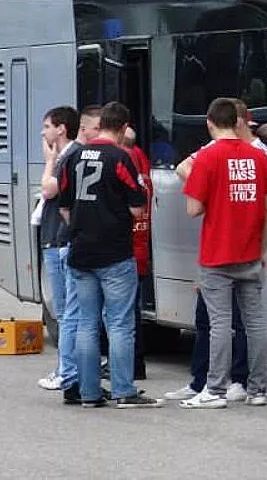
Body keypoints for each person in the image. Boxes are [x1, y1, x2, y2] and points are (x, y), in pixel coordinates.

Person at [57, 102, 161, 408]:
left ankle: (89, 392)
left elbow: (64, 206)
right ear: (124, 126)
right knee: (118, 323)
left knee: (87, 323)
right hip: (115, 253)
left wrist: (81, 227)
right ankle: (123, 390)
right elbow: (136, 206)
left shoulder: (73, 156)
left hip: (81, 252)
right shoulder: (121, 157)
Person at [179, 97, 267, 408]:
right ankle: (258, 389)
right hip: (250, 251)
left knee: (221, 322)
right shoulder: (258, 157)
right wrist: (262, 249)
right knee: (255, 322)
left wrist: (217, 201)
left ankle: (215, 390)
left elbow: (193, 208)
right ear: (238, 122)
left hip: (217, 253)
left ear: (210, 123)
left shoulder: (207, 158)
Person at [36, 105, 80, 392]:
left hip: (58, 239)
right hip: (54, 237)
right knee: (68, 311)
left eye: (47, 127)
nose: (44, 132)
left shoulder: (68, 157)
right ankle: (67, 368)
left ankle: (67, 370)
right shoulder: (71, 155)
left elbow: (48, 189)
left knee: (65, 312)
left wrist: (49, 160)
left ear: (62, 128)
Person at [122, 125, 152, 381]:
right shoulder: (142, 164)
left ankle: (131, 365)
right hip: (141, 246)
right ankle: (135, 364)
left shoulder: (125, 164)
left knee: (125, 313)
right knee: (133, 310)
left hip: (127, 248)